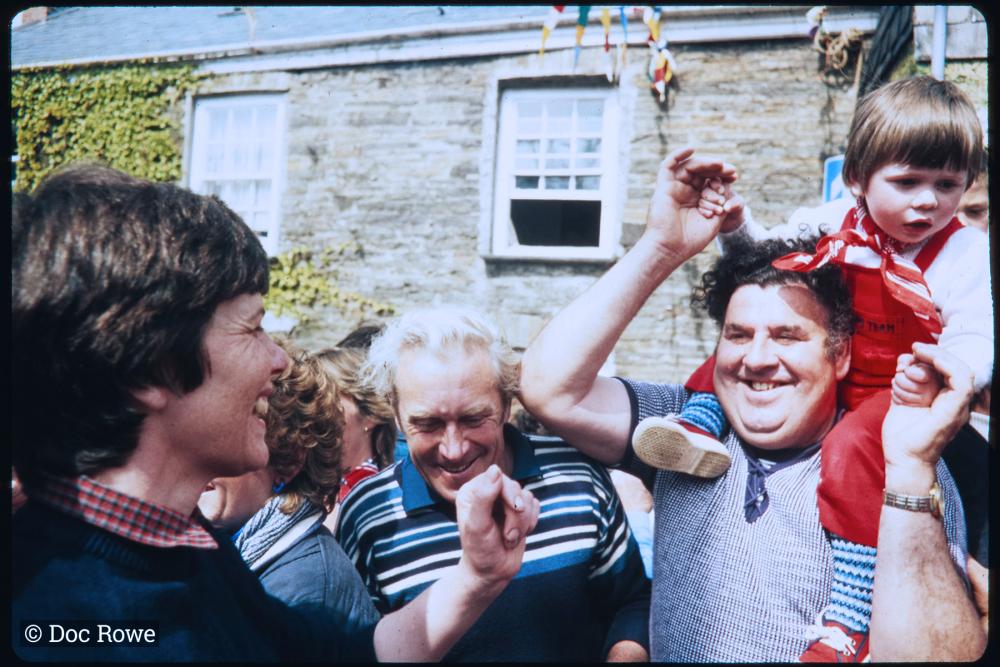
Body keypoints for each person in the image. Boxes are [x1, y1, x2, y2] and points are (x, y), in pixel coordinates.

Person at [12, 163, 539, 661]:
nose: (280, 360)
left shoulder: (186, 548)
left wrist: (479, 576)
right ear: (149, 367)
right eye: (251, 328)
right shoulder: (58, 613)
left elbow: (345, 654)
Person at [519, 146, 985, 661]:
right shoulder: (680, 428)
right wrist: (660, 247)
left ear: (841, 354)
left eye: (787, 336)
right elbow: (547, 387)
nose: (757, 359)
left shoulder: (898, 458)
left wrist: (912, 472)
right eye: (738, 335)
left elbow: (940, 657)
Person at [631, 77, 991, 658]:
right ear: (857, 179)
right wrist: (733, 228)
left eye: (947, 185)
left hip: (897, 392)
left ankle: (845, 623)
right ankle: (699, 424)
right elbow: (769, 263)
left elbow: (977, 330)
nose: (927, 201)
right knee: (747, 347)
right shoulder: (836, 220)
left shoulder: (962, 251)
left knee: (848, 454)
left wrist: (949, 373)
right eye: (907, 183)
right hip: (836, 366)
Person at [335, 306, 652, 662]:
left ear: (505, 405)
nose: (453, 449)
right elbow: (354, 648)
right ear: (395, 413)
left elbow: (633, 602)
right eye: (427, 424)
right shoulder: (369, 511)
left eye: (473, 419)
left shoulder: (576, 474)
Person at [198, 339, 380, 634]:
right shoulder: (234, 551)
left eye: (220, 440)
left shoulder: (304, 588)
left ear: (289, 461)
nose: (199, 459)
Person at [313, 326, 397, 532]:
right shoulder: (315, 486)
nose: (313, 410)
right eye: (308, 399)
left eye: (328, 398)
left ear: (370, 415)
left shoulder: (380, 497)